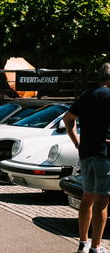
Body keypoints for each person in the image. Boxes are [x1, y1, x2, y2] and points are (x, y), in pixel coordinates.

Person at [64, 63, 110, 253]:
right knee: (102, 202)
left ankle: (83, 243)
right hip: (104, 154)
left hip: (86, 153)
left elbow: (68, 119)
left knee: (87, 198)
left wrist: (77, 142)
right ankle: (96, 248)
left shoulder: (86, 95)